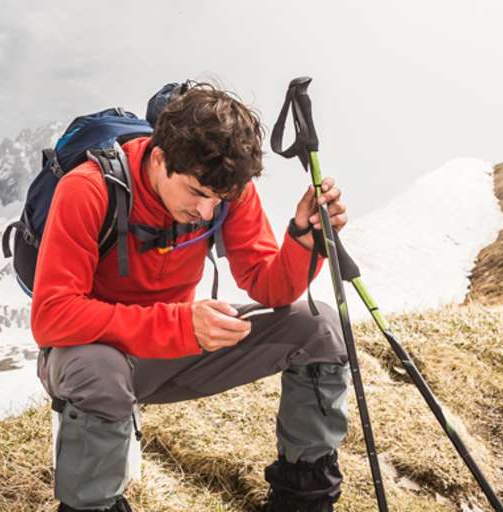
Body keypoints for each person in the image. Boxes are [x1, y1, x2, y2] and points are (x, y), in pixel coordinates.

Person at [31, 82, 351, 512]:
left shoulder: (225, 188)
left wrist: (303, 240)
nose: (206, 212)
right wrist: (181, 325)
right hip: (93, 360)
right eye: (197, 194)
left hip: (175, 351)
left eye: (218, 199)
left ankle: (303, 501)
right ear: (159, 157)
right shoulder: (88, 188)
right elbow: (52, 316)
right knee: (99, 370)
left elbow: (266, 283)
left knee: (320, 328)